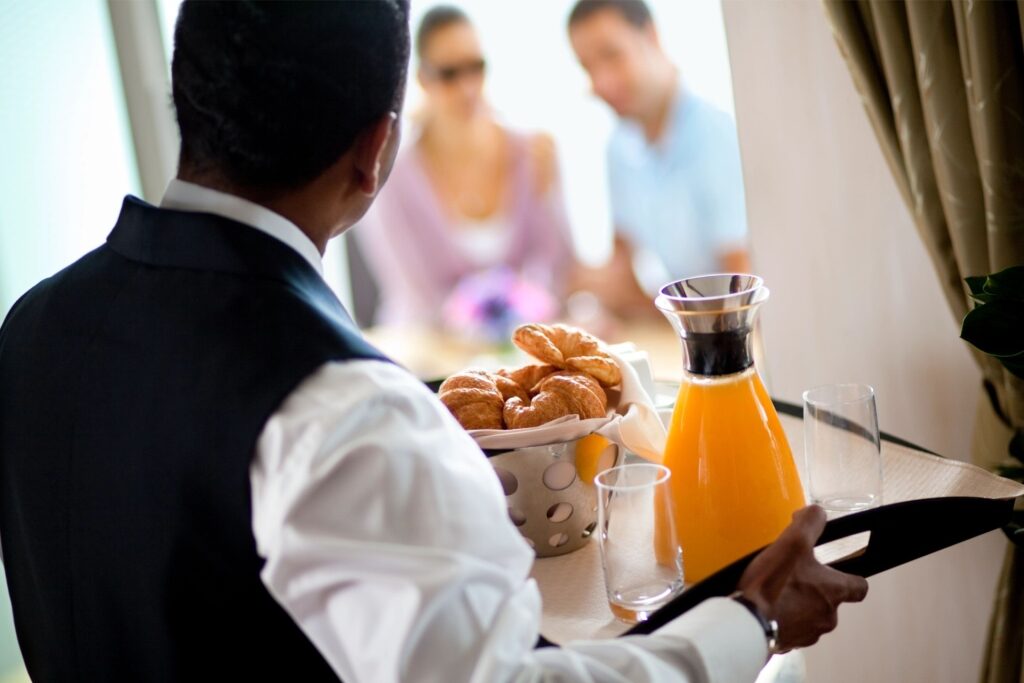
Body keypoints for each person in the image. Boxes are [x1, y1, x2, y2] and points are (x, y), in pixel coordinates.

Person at [0, 2, 867, 681]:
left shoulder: (30, 325)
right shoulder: (337, 408)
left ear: (186, 101)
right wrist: (749, 619)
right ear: (376, 150)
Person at [354, 5, 575, 327]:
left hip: (524, 346)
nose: (467, 87)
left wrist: (525, 313)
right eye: (449, 74)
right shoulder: (393, 174)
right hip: (425, 355)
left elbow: (556, 262)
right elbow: (417, 291)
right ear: (422, 78)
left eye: (476, 67)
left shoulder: (533, 152)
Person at [568, 0, 751, 319]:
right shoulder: (619, 147)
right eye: (587, 67)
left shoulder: (714, 135)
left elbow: (737, 305)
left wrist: (636, 303)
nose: (600, 83)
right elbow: (621, 277)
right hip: (680, 333)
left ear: (651, 37)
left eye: (612, 55)